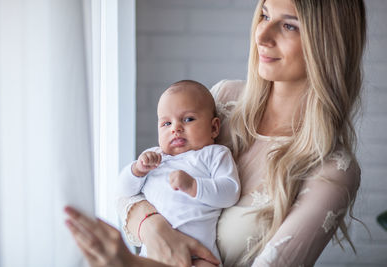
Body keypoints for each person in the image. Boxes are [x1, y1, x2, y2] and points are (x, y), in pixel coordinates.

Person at [64, 0, 367, 266]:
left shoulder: (333, 169)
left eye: (289, 26)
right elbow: (130, 191)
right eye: (264, 15)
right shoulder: (223, 100)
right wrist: (153, 228)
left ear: (328, 45)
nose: (261, 35)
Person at [117, 80, 240, 266]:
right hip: (154, 254)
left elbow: (230, 192)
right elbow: (124, 190)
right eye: (166, 123)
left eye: (188, 119)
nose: (175, 128)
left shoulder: (214, 154)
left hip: (199, 256)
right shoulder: (155, 157)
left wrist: (194, 186)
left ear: (214, 128)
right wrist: (137, 170)